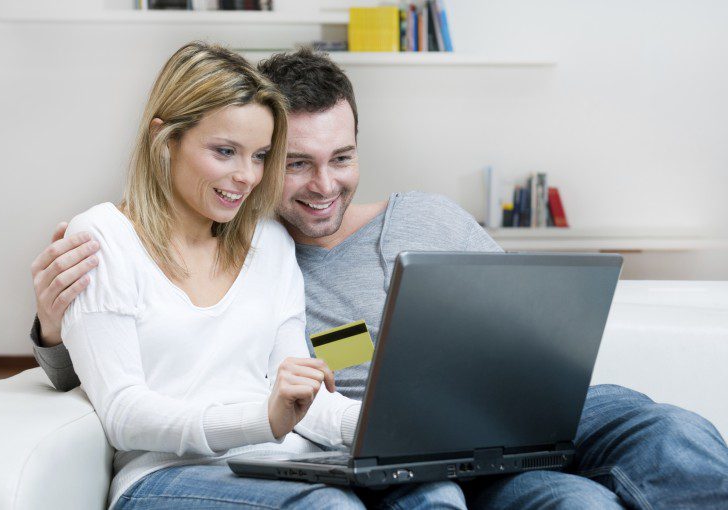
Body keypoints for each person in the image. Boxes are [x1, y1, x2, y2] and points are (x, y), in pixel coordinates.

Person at [30, 48, 728, 509]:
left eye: (341, 157)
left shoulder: (426, 216)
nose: (322, 185)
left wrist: (536, 360)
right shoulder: (271, 249)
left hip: (505, 413)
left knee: (669, 431)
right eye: (294, 163)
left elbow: (534, 317)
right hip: (380, 442)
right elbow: (145, 359)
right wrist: (52, 333)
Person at [41, 42, 465, 510]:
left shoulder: (269, 242)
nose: (247, 176)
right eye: (226, 151)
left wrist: (401, 425)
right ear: (164, 139)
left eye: (261, 156)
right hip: (171, 475)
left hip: (286, 462)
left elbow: (306, 401)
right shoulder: (102, 238)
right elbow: (124, 413)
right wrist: (264, 419)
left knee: (434, 494)